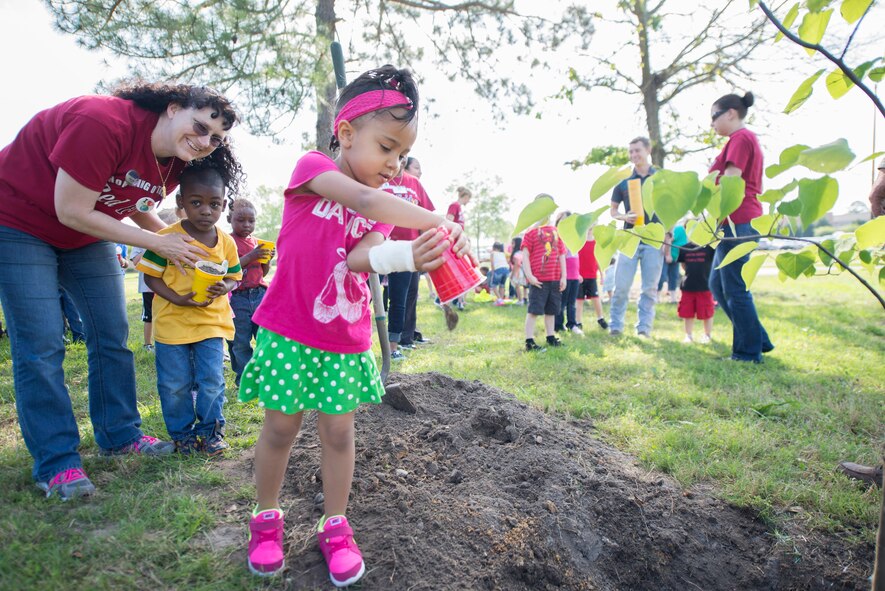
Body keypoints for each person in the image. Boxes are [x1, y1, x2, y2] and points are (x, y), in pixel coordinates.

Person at [239, 65, 468, 583]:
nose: (395, 164)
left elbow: (363, 258)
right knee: (280, 427)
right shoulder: (312, 168)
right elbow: (362, 200)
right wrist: (439, 220)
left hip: (344, 337)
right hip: (289, 329)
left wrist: (412, 253)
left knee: (339, 432)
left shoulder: (385, 209)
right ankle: (266, 517)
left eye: (402, 155)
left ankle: (335, 524)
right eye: (386, 147)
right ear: (345, 132)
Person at [0, 82, 244, 500]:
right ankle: (57, 462)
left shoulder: (174, 162)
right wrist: (159, 243)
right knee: (41, 344)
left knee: (112, 335)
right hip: (20, 222)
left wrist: (180, 244)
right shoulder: (103, 122)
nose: (205, 142)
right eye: (200, 126)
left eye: (216, 138)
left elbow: (126, 195)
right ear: (172, 109)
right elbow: (70, 208)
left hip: (83, 234)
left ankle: (119, 435)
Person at [137, 161, 242, 455]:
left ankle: (210, 433)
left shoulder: (226, 243)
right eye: (196, 203)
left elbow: (234, 275)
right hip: (172, 323)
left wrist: (226, 286)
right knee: (175, 384)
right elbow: (150, 276)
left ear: (223, 206)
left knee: (211, 380)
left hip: (211, 322)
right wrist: (177, 297)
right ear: (181, 202)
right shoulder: (167, 237)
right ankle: (182, 435)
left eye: (215, 204)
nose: (206, 211)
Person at [707, 91, 773, 363]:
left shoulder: (741, 138)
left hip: (738, 220)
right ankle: (758, 340)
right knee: (717, 285)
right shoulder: (739, 140)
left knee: (735, 288)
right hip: (732, 222)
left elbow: (730, 182)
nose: (712, 124)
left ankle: (747, 353)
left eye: (714, 116)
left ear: (731, 113)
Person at [608, 137, 664, 337]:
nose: (634, 155)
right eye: (630, 152)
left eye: (637, 150)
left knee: (649, 289)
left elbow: (667, 208)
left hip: (654, 241)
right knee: (621, 287)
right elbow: (613, 211)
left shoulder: (659, 179)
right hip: (629, 239)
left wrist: (668, 235)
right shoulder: (624, 183)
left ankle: (644, 329)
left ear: (648, 150)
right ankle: (615, 326)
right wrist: (625, 216)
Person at [382, 158, 435, 359]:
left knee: (399, 299)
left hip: (406, 250)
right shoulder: (378, 179)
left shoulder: (414, 183)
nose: (400, 158)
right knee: (367, 296)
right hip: (377, 245)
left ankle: (393, 347)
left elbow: (426, 216)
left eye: (404, 155)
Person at [227, 198, 274, 384]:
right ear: (230, 218)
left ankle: (264, 374)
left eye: (251, 221)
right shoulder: (228, 241)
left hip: (259, 295)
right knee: (239, 340)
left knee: (264, 336)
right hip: (237, 298)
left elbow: (262, 272)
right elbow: (229, 269)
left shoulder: (256, 242)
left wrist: (266, 259)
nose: (247, 225)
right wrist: (252, 255)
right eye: (241, 220)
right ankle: (245, 378)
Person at [522, 209, 566, 352]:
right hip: (538, 281)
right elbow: (525, 256)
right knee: (534, 311)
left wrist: (563, 276)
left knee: (551, 311)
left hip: (554, 279)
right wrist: (530, 276)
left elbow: (561, 255)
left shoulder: (556, 232)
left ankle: (550, 336)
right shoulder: (530, 233)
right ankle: (529, 341)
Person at [404, 157, 437, 308]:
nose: (420, 172)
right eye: (416, 167)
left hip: (411, 247)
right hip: (382, 243)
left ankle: (408, 331)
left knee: (410, 292)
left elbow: (428, 217)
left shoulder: (415, 185)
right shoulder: (386, 182)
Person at [677, 241, 715, 344]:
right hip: (688, 286)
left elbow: (713, 263)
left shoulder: (710, 247)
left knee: (707, 312)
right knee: (687, 312)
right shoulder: (684, 248)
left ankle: (707, 335)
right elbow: (683, 265)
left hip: (705, 285)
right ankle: (688, 335)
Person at [553, 212, 581, 334]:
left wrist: (578, 274)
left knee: (572, 303)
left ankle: (572, 324)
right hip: (564, 276)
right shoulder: (558, 238)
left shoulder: (574, 238)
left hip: (574, 276)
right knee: (562, 302)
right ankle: (558, 325)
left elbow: (576, 258)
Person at [576, 230, 608, 331]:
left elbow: (598, 260)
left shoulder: (596, 243)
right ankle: (578, 322)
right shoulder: (579, 241)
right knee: (579, 300)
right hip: (580, 276)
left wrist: (602, 275)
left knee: (596, 298)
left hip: (592, 275)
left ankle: (600, 318)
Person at [446, 186, 471, 309]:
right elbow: (448, 222)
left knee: (462, 273)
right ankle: (453, 300)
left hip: (460, 242)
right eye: (468, 199)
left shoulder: (459, 208)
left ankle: (458, 300)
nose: (468, 202)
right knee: (460, 273)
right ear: (465, 197)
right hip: (454, 243)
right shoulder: (454, 205)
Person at [658, 223, 688, 303]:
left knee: (674, 278)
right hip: (666, 257)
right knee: (662, 276)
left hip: (676, 258)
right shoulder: (680, 229)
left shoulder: (688, 235)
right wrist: (668, 255)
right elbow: (668, 240)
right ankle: (656, 297)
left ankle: (673, 299)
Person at [509, 236, 527, 304]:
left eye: (513, 243)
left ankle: (520, 300)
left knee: (517, 286)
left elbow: (517, 265)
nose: (511, 245)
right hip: (521, 271)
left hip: (518, 271)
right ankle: (522, 299)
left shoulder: (516, 254)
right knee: (520, 286)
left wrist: (513, 274)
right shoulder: (521, 252)